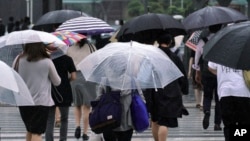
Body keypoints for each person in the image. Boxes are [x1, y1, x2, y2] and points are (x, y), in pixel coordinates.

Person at [144, 33, 189, 141]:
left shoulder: (152, 56)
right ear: (169, 42)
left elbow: (145, 74)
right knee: (164, 122)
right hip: (171, 92)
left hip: (154, 91)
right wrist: (184, 89)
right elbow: (182, 75)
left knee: (155, 120)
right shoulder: (174, 57)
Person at [13, 42, 61, 141]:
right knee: (37, 133)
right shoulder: (47, 61)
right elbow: (57, 82)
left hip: (23, 102)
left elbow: (13, 76)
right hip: (41, 102)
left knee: (29, 130)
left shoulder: (18, 59)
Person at [208, 62, 250, 141]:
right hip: (243, 91)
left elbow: (210, 67)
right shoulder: (245, 51)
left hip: (225, 92)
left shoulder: (218, 52)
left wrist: (222, 74)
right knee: (244, 122)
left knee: (229, 123)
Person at [193, 24, 223, 131]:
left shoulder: (202, 41)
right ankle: (217, 124)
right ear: (220, 28)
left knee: (207, 95)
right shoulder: (223, 39)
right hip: (219, 72)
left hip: (206, 71)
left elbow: (197, 57)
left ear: (209, 29)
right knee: (219, 98)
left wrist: (197, 72)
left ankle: (207, 111)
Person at [67, 38, 97, 140]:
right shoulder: (91, 47)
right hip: (88, 76)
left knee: (77, 104)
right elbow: (96, 62)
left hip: (75, 77)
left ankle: (77, 126)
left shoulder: (70, 49)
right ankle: (85, 132)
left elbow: (68, 65)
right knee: (87, 107)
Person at [45, 54, 77, 141]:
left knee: (49, 120)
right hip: (64, 91)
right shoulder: (68, 59)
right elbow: (74, 76)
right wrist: (66, 81)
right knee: (64, 119)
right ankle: (63, 139)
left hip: (51, 91)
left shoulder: (47, 59)